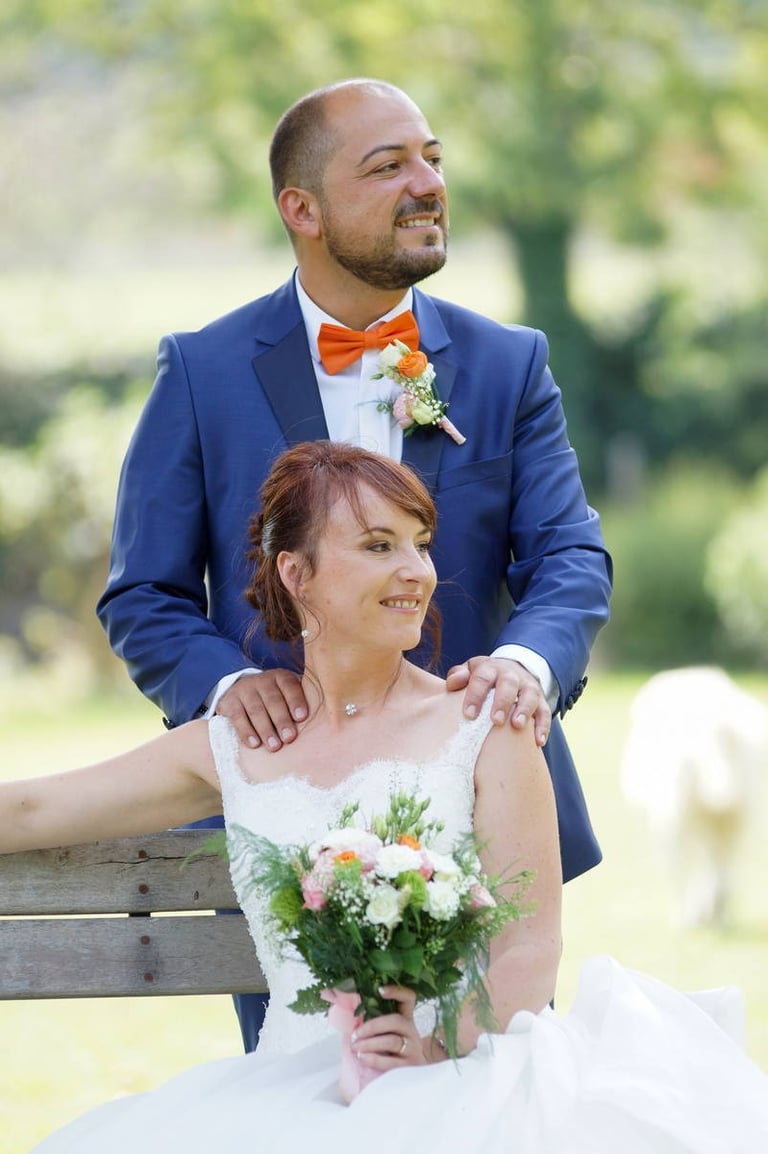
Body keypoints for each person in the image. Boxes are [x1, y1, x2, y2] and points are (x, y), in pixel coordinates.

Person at [6, 443, 767, 1154]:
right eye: (378, 546)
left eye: (420, 543)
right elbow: (34, 810)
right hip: (297, 1085)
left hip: (469, 1073)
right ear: (296, 574)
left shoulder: (484, 724)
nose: (418, 572)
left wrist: (438, 1048)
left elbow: (529, 946)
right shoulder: (236, 744)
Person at [96, 77, 612, 1050]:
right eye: (389, 166)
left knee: (484, 1069)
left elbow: (572, 555)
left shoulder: (509, 363)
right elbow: (145, 594)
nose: (427, 182)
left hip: (476, 814)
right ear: (302, 209)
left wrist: (526, 670)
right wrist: (234, 686)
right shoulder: (202, 372)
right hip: (294, 838)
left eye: (433, 157)